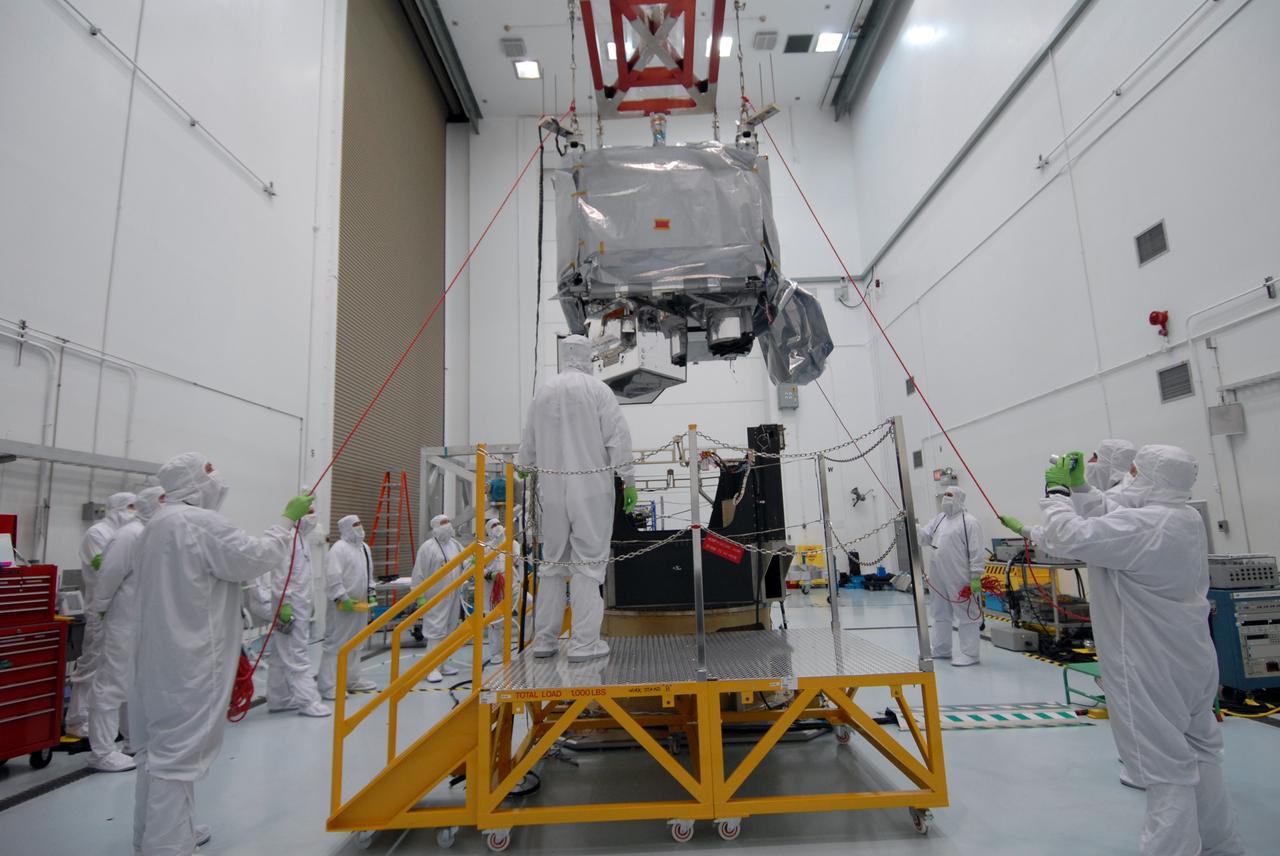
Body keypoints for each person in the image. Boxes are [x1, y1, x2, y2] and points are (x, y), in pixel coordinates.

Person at [1002, 446, 1242, 856]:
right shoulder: (1181, 518)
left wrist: (1057, 494)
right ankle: (1221, 846)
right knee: (1202, 748)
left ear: (1150, 477)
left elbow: (1069, 537)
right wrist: (1081, 488)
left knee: (1164, 766)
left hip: (1148, 662)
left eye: (1135, 470)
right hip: (1191, 657)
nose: (1128, 477)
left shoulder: (1145, 525)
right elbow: (1112, 512)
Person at [131, 453, 312, 856]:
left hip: (155, 655)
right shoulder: (197, 523)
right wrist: (286, 519)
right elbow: (256, 558)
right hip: (190, 657)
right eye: (211, 475)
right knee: (177, 755)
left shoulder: (156, 525)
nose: (218, 483)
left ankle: (157, 833)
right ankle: (167, 846)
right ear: (196, 483)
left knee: (158, 750)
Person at [519, 335, 635, 663]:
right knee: (588, 565)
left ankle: (544, 640)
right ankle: (585, 644)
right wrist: (629, 482)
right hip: (591, 489)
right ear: (589, 357)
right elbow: (618, 439)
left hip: (552, 492)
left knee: (552, 566)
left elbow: (527, 445)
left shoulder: (543, 392)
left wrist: (525, 467)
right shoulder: (599, 391)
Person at [83, 486, 163, 772]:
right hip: (120, 621)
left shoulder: (152, 534)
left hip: (140, 622)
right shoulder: (130, 535)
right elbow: (109, 576)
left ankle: (133, 741)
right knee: (111, 684)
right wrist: (101, 611)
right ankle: (102, 752)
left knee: (134, 684)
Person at [66, 491, 136, 738]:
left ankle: (102, 723)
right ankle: (77, 719)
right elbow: (103, 567)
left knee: (114, 669)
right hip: (100, 610)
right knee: (91, 665)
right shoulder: (97, 533)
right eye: (129, 507)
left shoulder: (124, 535)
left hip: (121, 613)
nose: (133, 512)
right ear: (115, 508)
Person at [264, 488, 330, 717]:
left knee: (281, 655)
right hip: (289, 606)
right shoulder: (289, 539)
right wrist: (285, 604)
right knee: (297, 654)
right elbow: (281, 573)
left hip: (298, 605)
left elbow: (302, 576)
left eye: (314, 512)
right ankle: (307, 701)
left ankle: (279, 698)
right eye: (308, 511)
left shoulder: (302, 540)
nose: (312, 516)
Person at [919, 486, 984, 666]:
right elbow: (924, 538)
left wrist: (975, 578)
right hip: (938, 573)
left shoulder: (969, 522)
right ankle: (941, 649)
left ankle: (970, 654)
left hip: (960, 574)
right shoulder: (940, 519)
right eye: (944, 495)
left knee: (966, 612)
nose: (946, 499)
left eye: (950, 495)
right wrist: (913, 525)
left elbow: (976, 551)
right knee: (940, 611)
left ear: (959, 498)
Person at [318, 515, 378, 700]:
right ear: (345, 528)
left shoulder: (364, 548)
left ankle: (351, 680)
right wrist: (342, 597)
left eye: (360, 523)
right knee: (336, 644)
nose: (359, 527)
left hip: (360, 605)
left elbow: (368, 573)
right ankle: (328, 686)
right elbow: (333, 576)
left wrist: (371, 592)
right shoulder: (339, 549)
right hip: (342, 607)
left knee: (356, 642)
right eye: (355, 525)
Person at [411, 514, 464, 683]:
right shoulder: (428, 547)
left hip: (454, 594)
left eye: (448, 522)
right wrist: (419, 596)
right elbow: (419, 573)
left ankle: (442, 664)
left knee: (449, 629)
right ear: (435, 527)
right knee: (435, 631)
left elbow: (467, 561)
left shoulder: (455, 545)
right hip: (435, 597)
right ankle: (431, 667)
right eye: (443, 523)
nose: (447, 525)